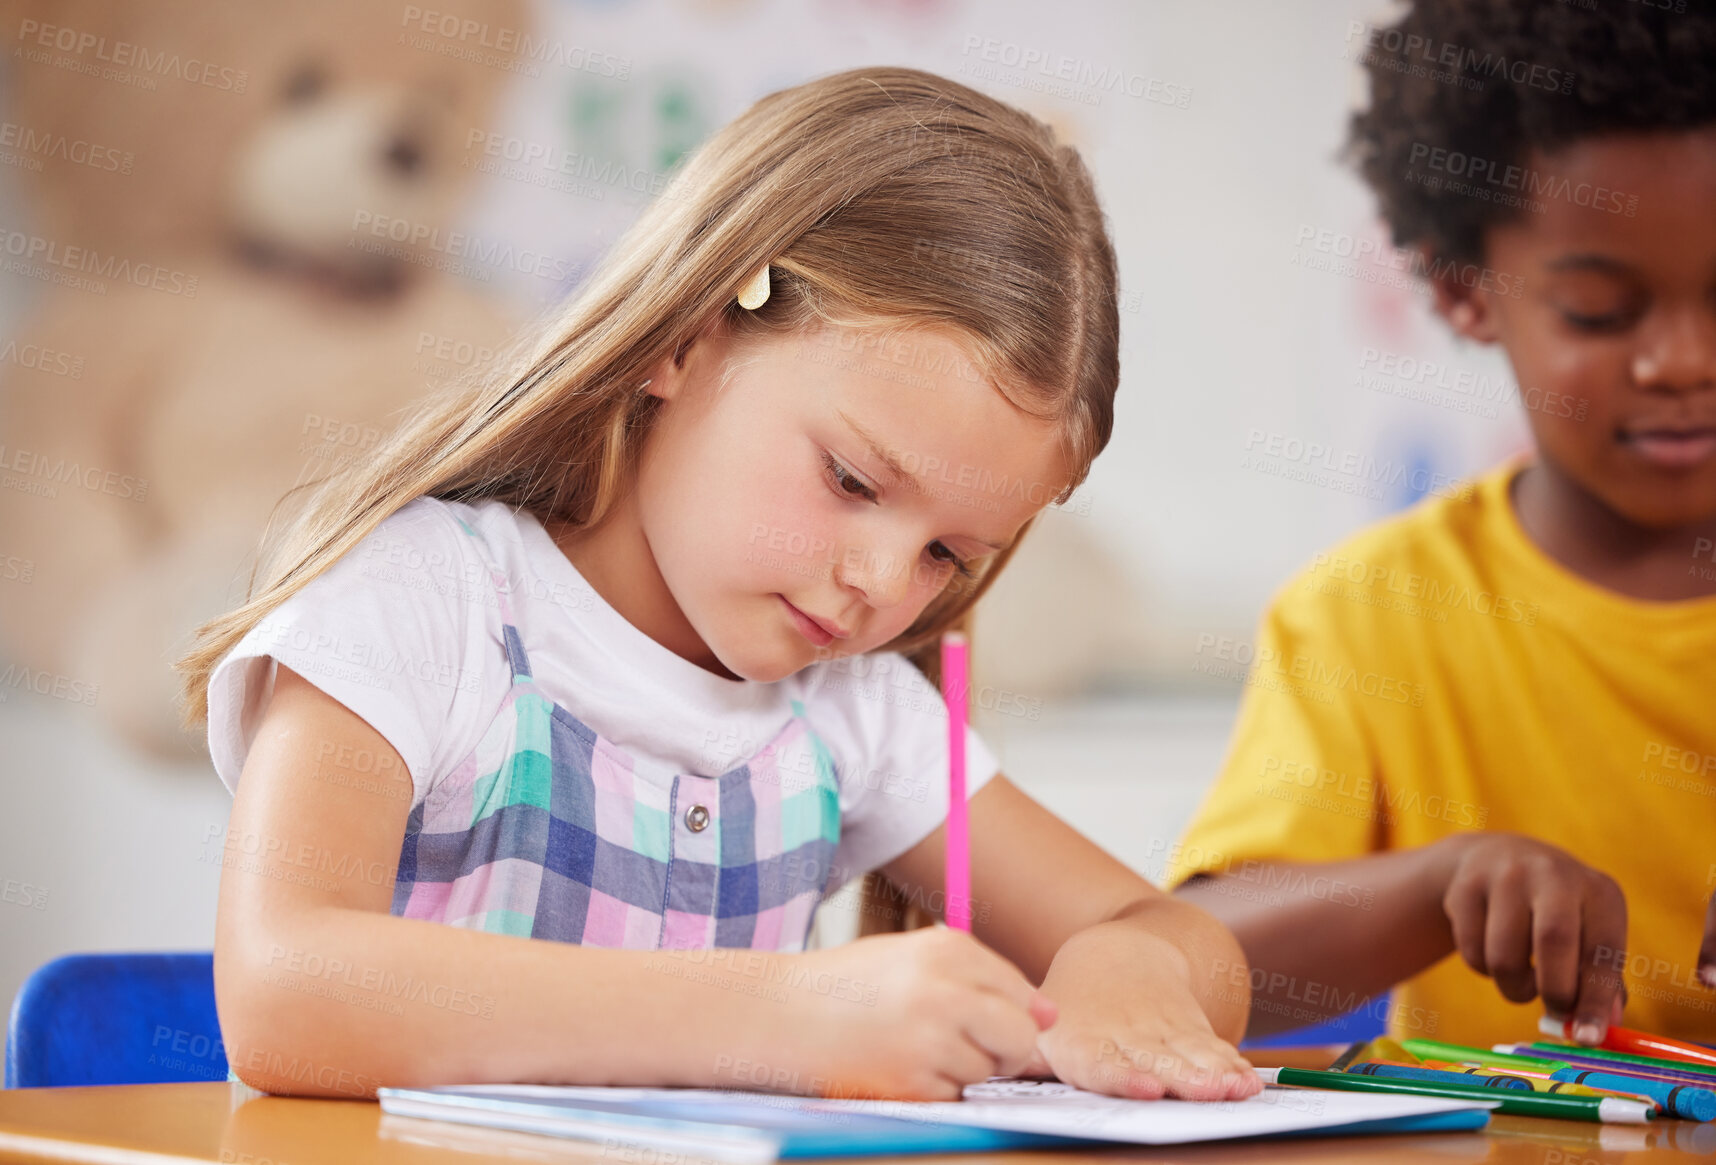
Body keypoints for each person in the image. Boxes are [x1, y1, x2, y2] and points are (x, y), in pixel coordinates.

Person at [178, 66, 1260, 1102]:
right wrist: (790, 1016)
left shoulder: (855, 716)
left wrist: (1129, 972)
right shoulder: (422, 600)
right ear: (687, 338)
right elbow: (283, 985)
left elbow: (1190, 941)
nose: (882, 585)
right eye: (850, 479)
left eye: (948, 556)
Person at [1169, 1, 1716, 1049]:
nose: (1683, 360)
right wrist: (1441, 884)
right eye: (1601, 311)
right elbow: (1184, 960)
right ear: (1467, 292)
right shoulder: (1375, 613)